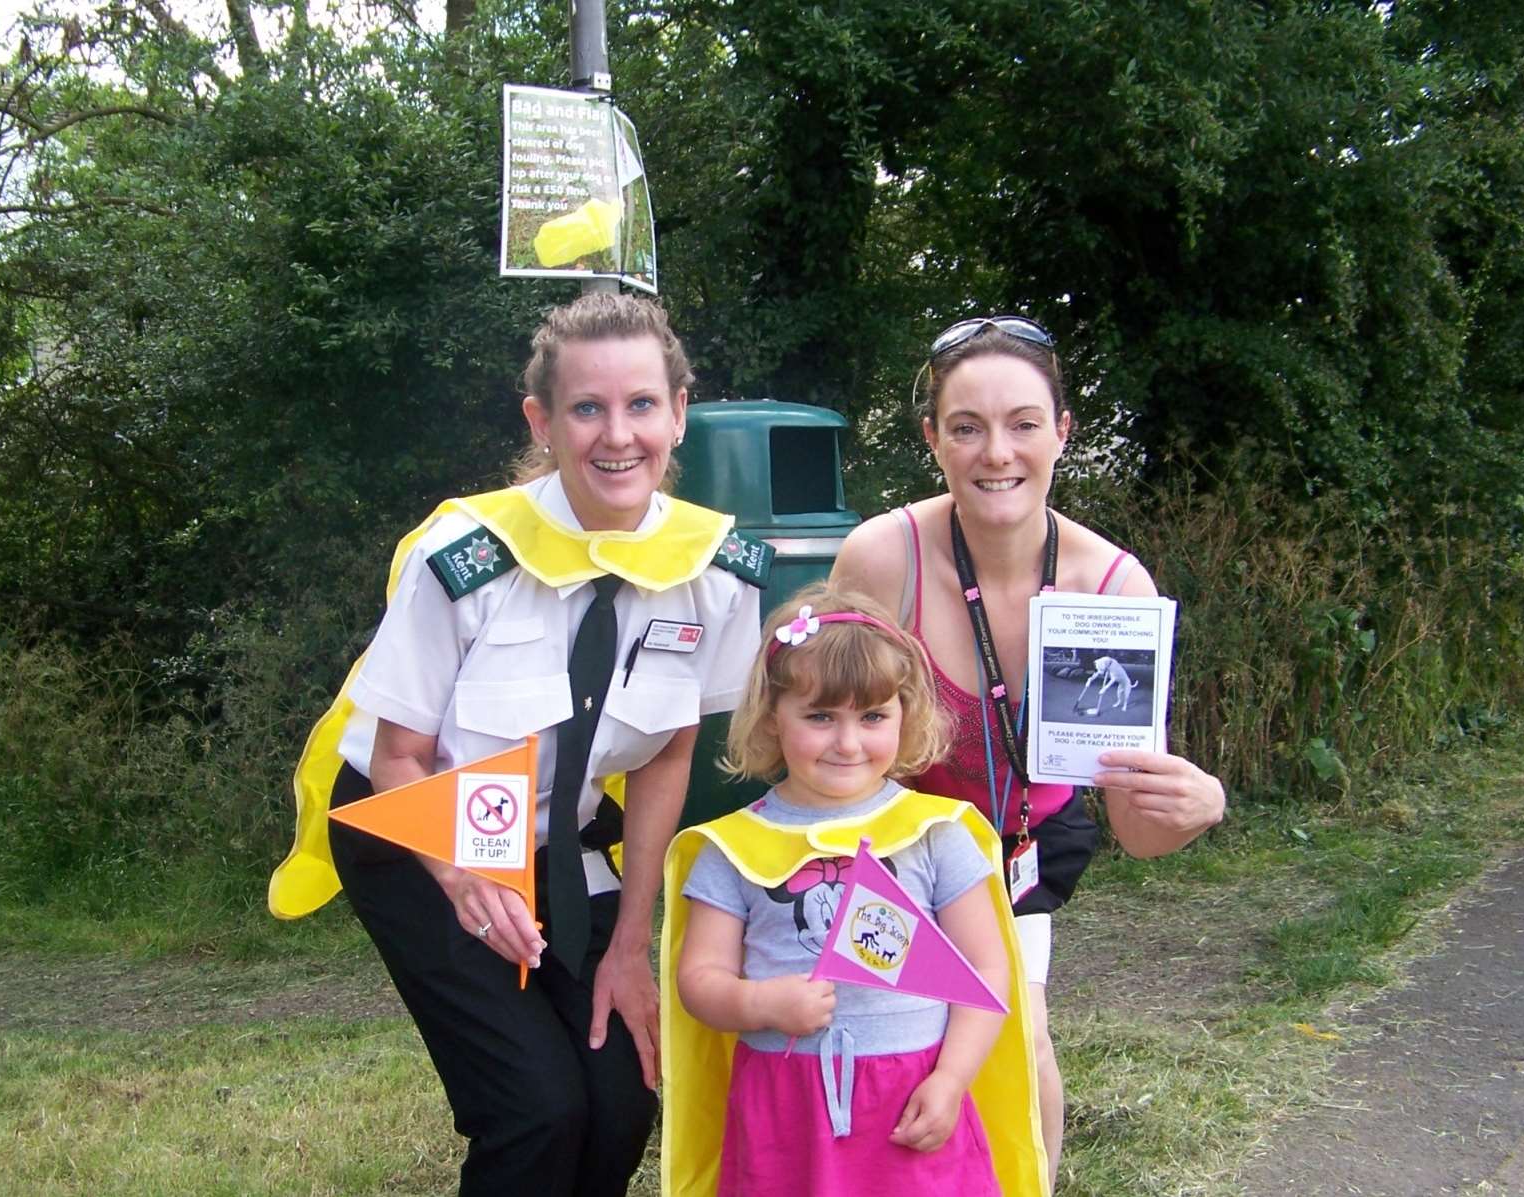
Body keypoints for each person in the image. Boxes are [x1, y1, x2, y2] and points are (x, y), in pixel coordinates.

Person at [267, 292, 768, 1197]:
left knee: (621, 1100)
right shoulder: (466, 557)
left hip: (562, 846)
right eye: (587, 408)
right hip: (417, 828)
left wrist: (631, 945)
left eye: (642, 404)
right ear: (543, 419)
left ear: (680, 412)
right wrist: (467, 880)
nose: (618, 435)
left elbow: (666, 751)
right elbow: (398, 755)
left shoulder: (717, 573)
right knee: (535, 1109)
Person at [830, 313, 1227, 1186]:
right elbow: (825, 740)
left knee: (1017, 1029)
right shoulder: (880, 557)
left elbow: (1139, 828)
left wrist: (1197, 804)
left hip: (1017, 854)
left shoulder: (1113, 587)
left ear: (1062, 432)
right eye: (966, 427)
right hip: (891, 849)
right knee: (886, 1044)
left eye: (1022, 424)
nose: (995, 452)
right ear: (933, 438)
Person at [662, 584, 1048, 1197]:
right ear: (771, 717)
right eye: (820, 717)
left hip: (913, 1095)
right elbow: (698, 980)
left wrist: (951, 1080)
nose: (848, 743)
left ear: (907, 714)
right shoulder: (730, 849)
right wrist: (760, 1006)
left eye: (873, 717)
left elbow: (985, 969)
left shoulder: (934, 833)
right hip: (786, 1103)